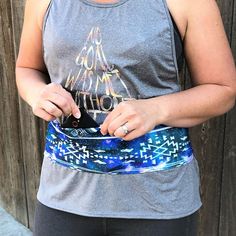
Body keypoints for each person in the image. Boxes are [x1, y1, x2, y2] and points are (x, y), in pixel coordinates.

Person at [16, 0, 236, 235]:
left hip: (159, 204)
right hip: (61, 196)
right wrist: (37, 93)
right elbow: (27, 68)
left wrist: (156, 109)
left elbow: (223, 89)